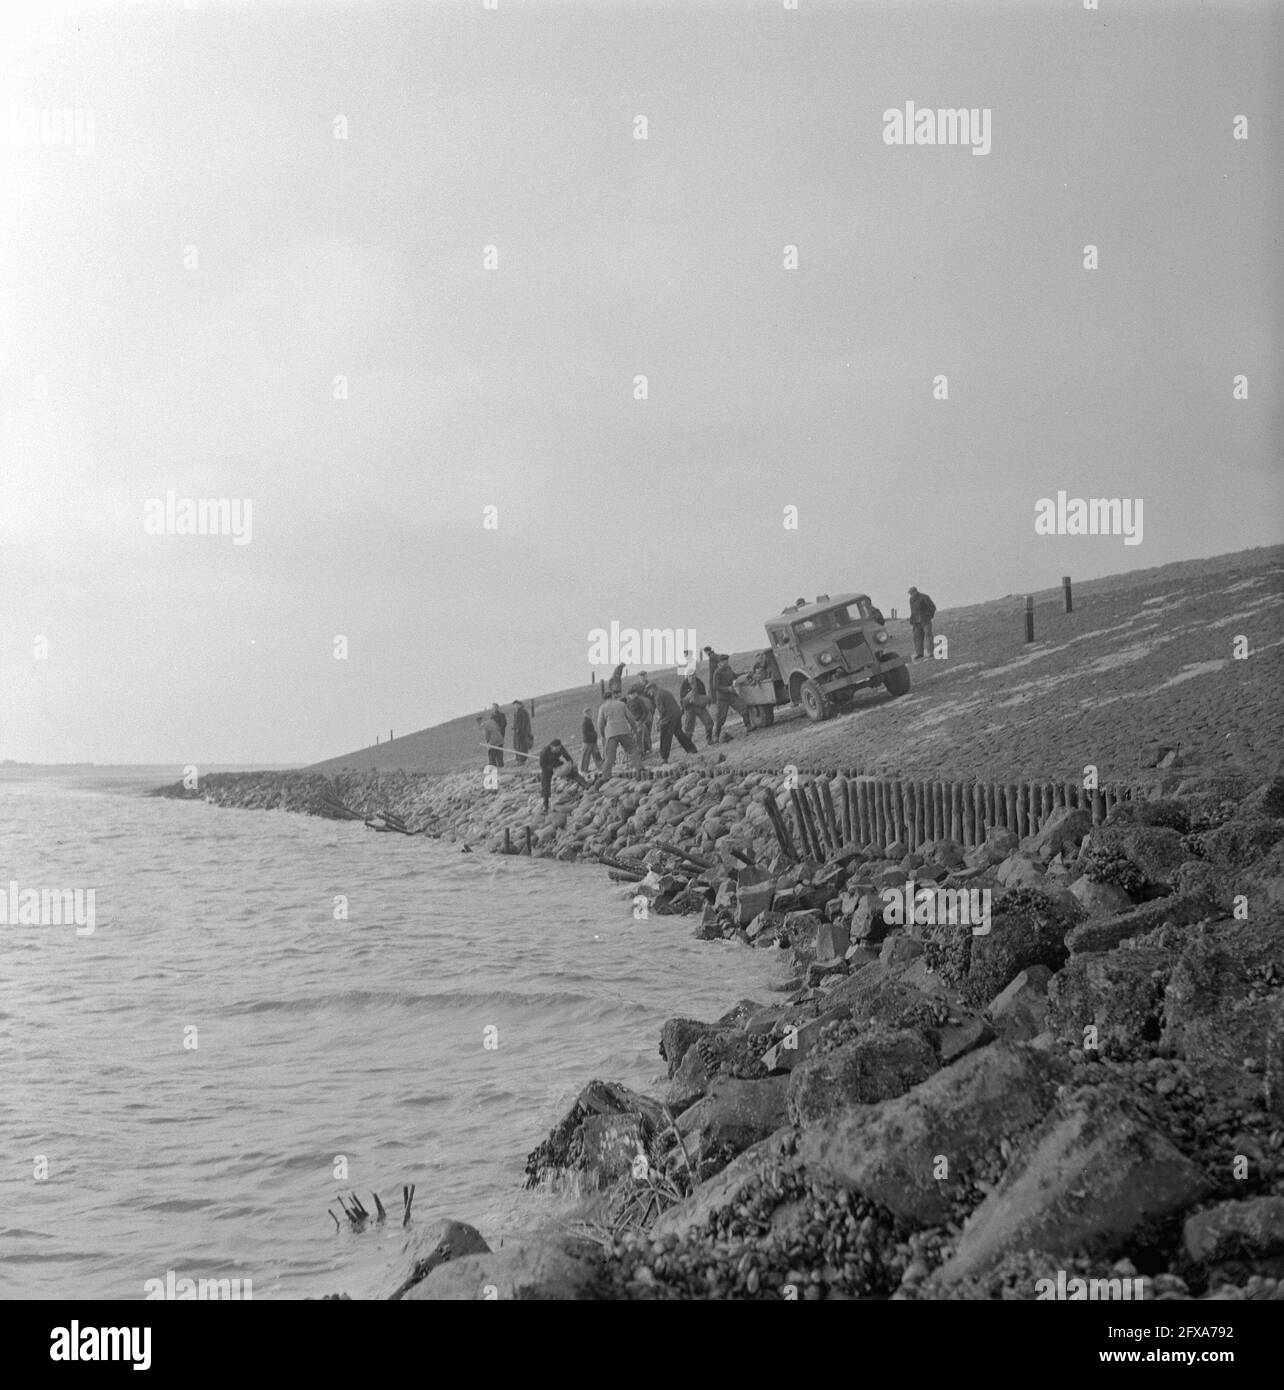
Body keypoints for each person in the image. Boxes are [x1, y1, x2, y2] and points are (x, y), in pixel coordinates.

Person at [647, 680, 697, 762]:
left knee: (665, 737)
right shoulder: (663, 691)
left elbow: (662, 711)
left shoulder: (657, 696)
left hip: (669, 718)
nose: (649, 693)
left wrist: (659, 721)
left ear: (652, 689)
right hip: (677, 715)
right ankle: (692, 750)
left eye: (649, 691)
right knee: (680, 734)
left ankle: (664, 758)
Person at [597, 692, 641, 779]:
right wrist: (635, 730)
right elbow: (631, 718)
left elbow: (600, 724)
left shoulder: (602, 707)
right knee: (632, 750)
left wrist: (603, 735)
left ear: (604, 699)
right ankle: (639, 769)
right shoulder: (621, 704)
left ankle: (606, 776)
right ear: (612, 696)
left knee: (609, 756)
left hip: (611, 733)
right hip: (624, 731)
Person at [538, 739, 585, 810]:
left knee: (573, 773)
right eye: (556, 748)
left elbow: (567, 756)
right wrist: (552, 767)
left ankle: (585, 785)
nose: (558, 750)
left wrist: (571, 764)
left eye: (559, 748)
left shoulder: (561, 748)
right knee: (545, 783)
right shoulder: (544, 752)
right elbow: (542, 765)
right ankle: (545, 803)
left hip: (558, 763)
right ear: (551, 747)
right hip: (548, 767)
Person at [711, 654, 750, 741]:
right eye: (725, 661)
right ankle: (716, 735)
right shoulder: (717, 672)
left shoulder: (728, 669)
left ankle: (748, 726)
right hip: (722, 698)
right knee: (721, 718)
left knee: (743, 707)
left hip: (732, 695)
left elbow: (735, 676)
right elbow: (715, 686)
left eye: (727, 661)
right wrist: (727, 689)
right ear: (720, 662)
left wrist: (744, 673)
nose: (727, 662)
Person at [679, 668, 714, 745]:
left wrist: (702, 701)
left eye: (693, 675)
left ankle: (709, 739)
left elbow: (704, 695)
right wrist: (688, 700)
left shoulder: (700, 683)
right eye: (690, 676)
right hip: (689, 707)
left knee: (709, 722)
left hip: (699, 706)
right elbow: (682, 698)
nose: (691, 677)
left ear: (695, 675)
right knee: (689, 727)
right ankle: (688, 744)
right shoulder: (684, 685)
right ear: (686, 676)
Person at [625, 683, 654, 758]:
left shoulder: (639, 701)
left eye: (632, 694)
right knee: (639, 737)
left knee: (640, 738)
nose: (631, 696)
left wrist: (641, 720)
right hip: (633, 723)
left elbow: (646, 711)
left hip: (640, 722)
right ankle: (644, 751)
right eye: (630, 694)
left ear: (635, 694)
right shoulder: (629, 703)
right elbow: (628, 713)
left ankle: (642, 753)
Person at [908, 586, 937, 661]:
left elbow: (932, 607)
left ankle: (930, 652)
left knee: (928, 635)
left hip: (925, 620)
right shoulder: (911, 599)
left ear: (916, 591)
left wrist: (929, 616)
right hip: (916, 623)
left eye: (912, 593)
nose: (911, 595)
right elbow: (912, 611)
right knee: (917, 637)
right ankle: (919, 653)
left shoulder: (924, 597)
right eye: (910, 593)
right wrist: (912, 620)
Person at [579, 706, 604, 774]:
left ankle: (601, 767)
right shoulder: (585, 721)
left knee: (596, 755)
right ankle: (583, 770)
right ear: (585, 713)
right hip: (588, 742)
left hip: (592, 741)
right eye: (589, 713)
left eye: (590, 712)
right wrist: (593, 735)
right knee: (586, 756)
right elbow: (585, 732)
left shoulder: (588, 720)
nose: (590, 714)